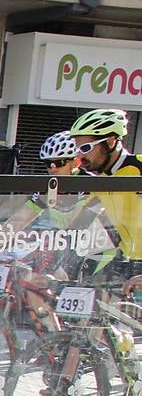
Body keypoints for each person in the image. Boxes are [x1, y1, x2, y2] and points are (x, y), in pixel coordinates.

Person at [71, 107, 142, 294]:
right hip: (128, 265)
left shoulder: (139, 168)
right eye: (77, 149)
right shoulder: (99, 180)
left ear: (111, 142)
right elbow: (80, 224)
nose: (80, 157)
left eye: (86, 148)